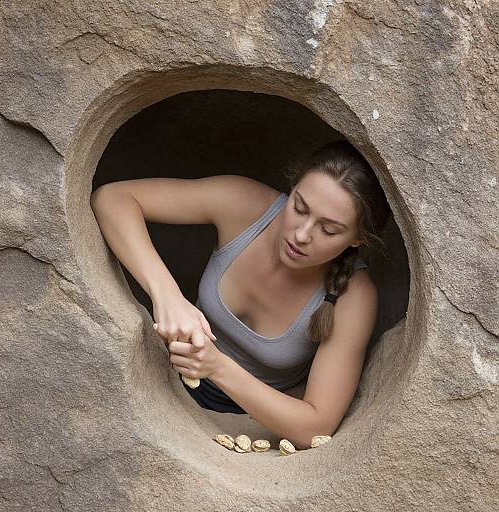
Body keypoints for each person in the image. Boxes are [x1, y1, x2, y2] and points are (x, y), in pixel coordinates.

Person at [90, 139, 391, 450]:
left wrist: (215, 366)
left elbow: (315, 427)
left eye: (329, 230)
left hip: (254, 430)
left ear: (358, 238)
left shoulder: (354, 296)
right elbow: (112, 199)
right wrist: (167, 295)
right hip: (163, 379)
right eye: (299, 208)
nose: (301, 235)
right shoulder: (246, 203)